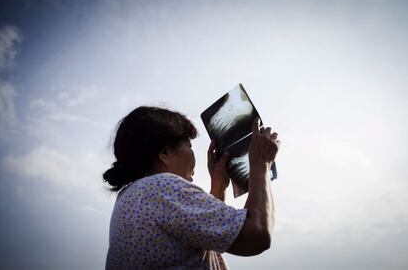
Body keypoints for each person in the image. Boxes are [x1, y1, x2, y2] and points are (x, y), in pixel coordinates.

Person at [103, 106, 280, 269]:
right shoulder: (163, 187)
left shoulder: (130, 196)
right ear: (164, 154)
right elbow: (257, 234)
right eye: (189, 146)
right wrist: (261, 163)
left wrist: (218, 186)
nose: (194, 155)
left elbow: (203, 235)